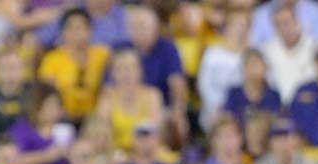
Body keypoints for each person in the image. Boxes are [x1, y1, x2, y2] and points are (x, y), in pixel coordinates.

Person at [125, 5, 188, 141]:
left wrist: (178, 112)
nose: (138, 31)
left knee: (172, 122)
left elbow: (177, 84)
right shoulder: (121, 49)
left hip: (160, 108)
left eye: (143, 26)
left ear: (155, 28)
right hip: (124, 104)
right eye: (134, 26)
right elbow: (108, 86)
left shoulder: (167, 49)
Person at [38, 8, 110, 123]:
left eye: (80, 27)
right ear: (62, 32)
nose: (76, 33)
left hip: (95, 118)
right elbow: (47, 92)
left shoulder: (102, 55)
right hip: (62, 117)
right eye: (70, 28)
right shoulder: (51, 59)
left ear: (90, 31)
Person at [95, 48, 163, 152]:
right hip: (116, 154)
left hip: (148, 151)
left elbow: (153, 132)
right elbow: (102, 136)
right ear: (113, 73)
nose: (127, 74)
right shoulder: (107, 98)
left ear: (140, 70)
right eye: (120, 69)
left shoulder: (152, 95)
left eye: (131, 68)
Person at [196, 8, 249, 130]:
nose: (240, 30)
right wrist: (219, 108)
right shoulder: (212, 53)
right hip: (213, 113)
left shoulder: (251, 55)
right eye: (237, 25)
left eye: (245, 25)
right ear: (227, 27)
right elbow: (204, 84)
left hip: (243, 113)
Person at [262, 4, 316, 105]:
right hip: (277, 105)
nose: (282, 28)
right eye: (277, 24)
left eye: (286, 23)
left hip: (308, 104)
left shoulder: (313, 48)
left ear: (296, 22)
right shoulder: (266, 51)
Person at [223, 48, 281, 125]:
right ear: (244, 68)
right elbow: (228, 118)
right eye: (253, 64)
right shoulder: (234, 94)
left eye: (261, 64)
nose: (258, 69)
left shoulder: (273, 95)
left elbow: (275, 120)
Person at [249, 0, 318, 48]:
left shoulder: (315, 11)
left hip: (307, 68)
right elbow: (254, 47)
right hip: (271, 68)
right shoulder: (260, 15)